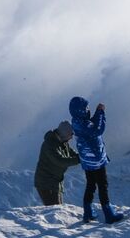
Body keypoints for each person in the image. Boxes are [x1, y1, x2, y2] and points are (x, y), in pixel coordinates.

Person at [69, 96, 124, 224]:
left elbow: (90, 125)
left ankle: (88, 213)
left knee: (91, 185)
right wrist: (100, 112)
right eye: (86, 108)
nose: (88, 110)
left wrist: (96, 113)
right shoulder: (85, 124)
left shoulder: (77, 122)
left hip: (87, 161)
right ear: (81, 110)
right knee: (102, 185)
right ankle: (109, 214)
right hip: (96, 161)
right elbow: (98, 129)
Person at [34, 121, 80, 205]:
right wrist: (79, 160)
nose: (71, 137)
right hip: (45, 182)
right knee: (54, 209)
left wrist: (83, 157)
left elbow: (73, 154)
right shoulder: (49, 144)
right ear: (65, 133)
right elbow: (59, 161)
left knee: (58, 209)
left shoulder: (63, 143)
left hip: (55, 182)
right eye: (71, 134)